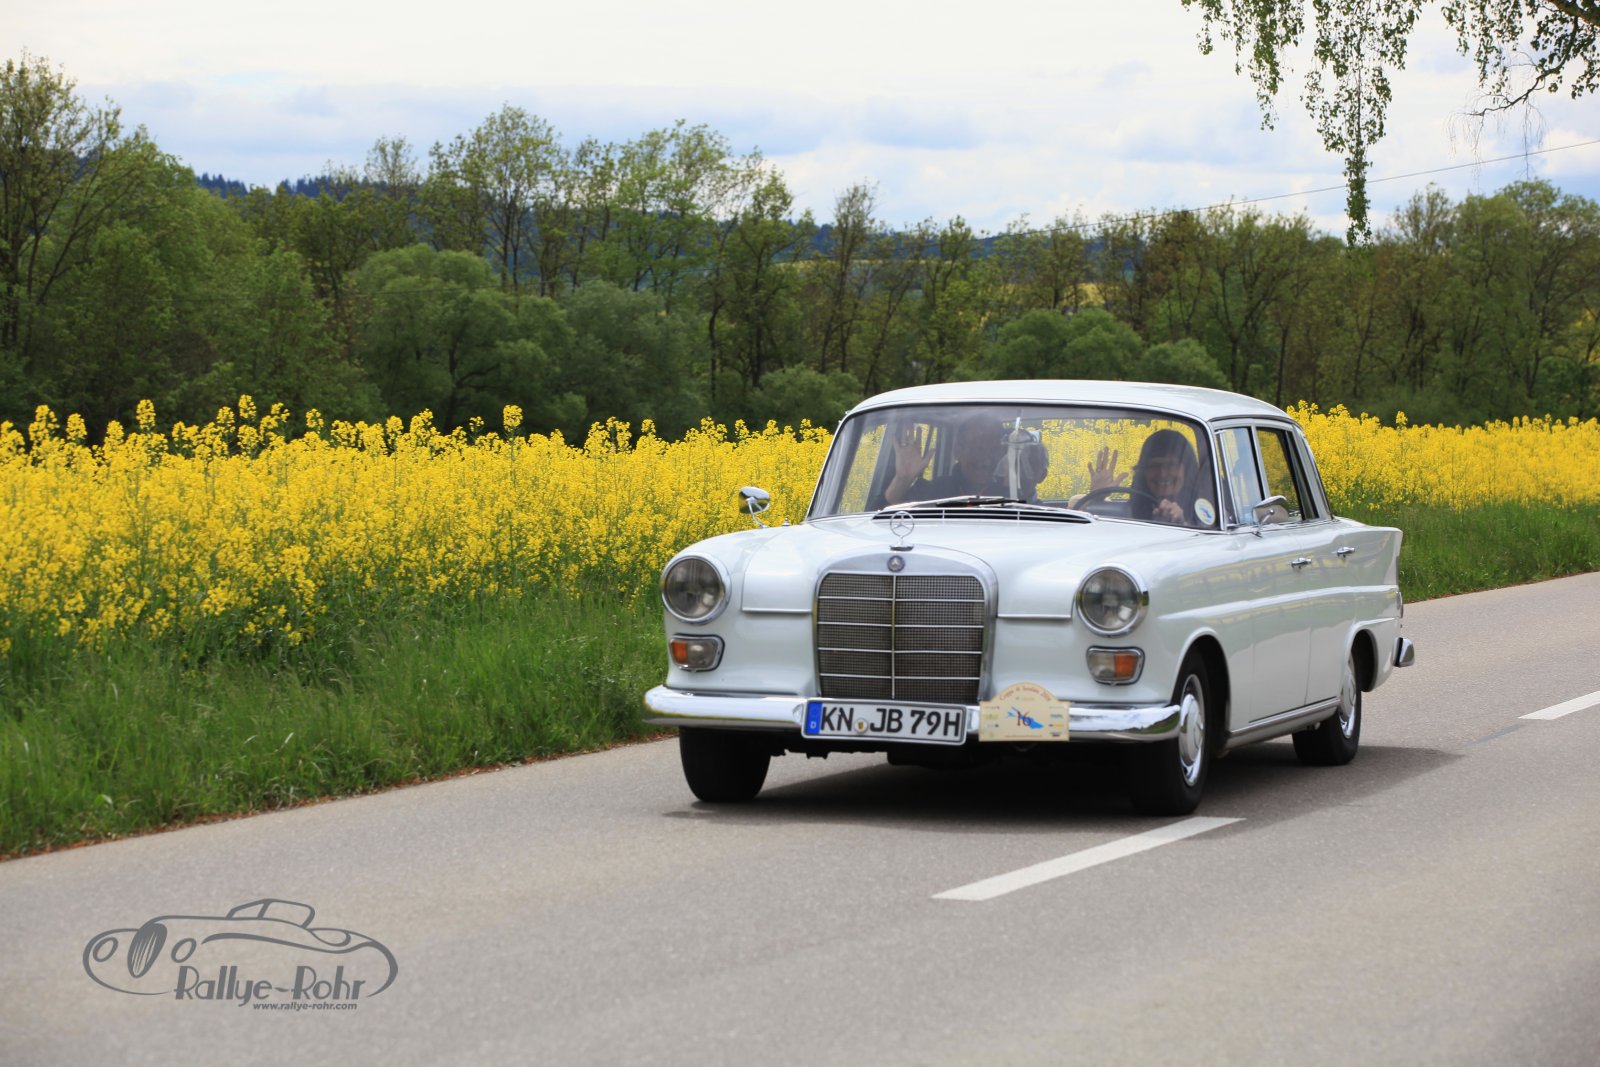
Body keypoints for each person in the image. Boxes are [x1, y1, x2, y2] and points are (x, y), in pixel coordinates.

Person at [882, 412, 1047, 505]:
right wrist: (902, 480)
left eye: (993, 448)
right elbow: (881, 519)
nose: (985, 457)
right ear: (957, 450)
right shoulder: (933, 490)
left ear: (1002, 453)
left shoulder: (1012, 495)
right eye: (975, 447)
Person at [1077, 429, 1200, 525]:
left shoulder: (1203, 513)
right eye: (1155, 466)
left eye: (1171, 466)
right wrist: (1096, 497)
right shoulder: (1127, 514)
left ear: (1187, 470)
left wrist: (1181, 523)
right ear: (1143, 472)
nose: (1162, 473)